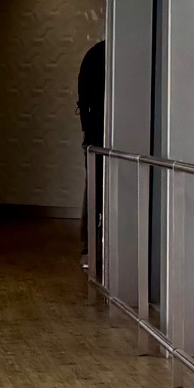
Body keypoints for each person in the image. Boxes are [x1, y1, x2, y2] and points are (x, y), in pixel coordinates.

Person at [77, 39, 107, 267]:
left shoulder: (94, 54)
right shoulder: (104, 55)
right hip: (101, 136)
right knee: (98, 193)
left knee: (94, 192)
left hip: (94, 136)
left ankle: (89, 250)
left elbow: (84, 99)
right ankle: (94, 248)